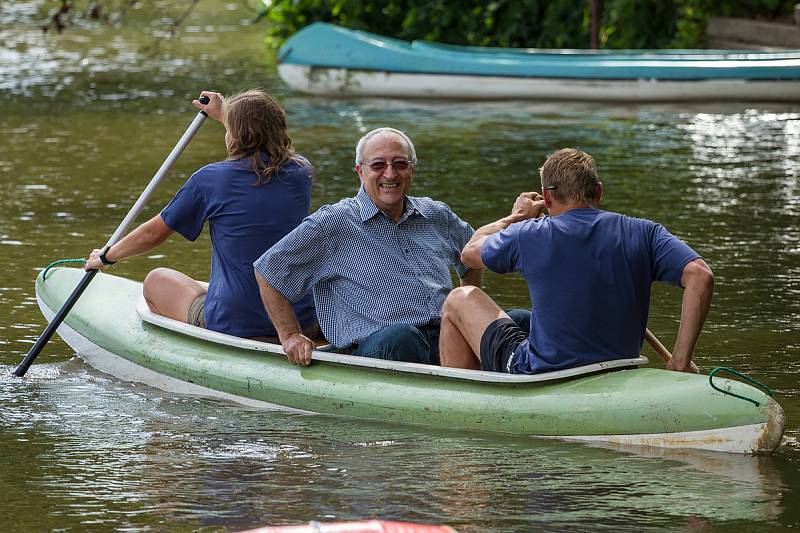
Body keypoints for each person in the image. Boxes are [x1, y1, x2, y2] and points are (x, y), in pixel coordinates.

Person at [439, 147, 714, 375]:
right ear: (599, 192)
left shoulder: (529, 234)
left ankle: (468, 397)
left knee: (459, 298)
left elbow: (469, 253)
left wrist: (516, 217)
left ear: (547, 197)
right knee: (525, 319)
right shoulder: (643, 232)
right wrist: (680, 360)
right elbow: (701, 276)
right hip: (620, 365)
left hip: (541, 372)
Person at [253, 127, 498, 367]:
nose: (390, 175)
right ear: (360, 171)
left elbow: (471, 254)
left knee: (515, 322)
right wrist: (290, 336)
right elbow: (268, 271)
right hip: (380, 348)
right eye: (379, 165)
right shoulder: (333, 222)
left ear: (412, 169)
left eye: (400, 164)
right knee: (402, 337)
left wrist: (467, 309)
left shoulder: (437, 215)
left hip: (445, 337)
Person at [85, 89, 318, 340]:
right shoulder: (301, 172)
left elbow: (153, 233)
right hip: (301, 319)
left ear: (235, 135)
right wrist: (225, 114)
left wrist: (107, 257)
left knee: (156, 280)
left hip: (235, 322)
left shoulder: (208, 180)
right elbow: (257, 138)